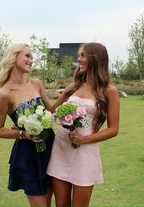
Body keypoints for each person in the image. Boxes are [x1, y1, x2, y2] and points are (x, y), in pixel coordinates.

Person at [47, 42, 120, 207]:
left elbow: (113, 129)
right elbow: (52, 112)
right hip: (61, 149)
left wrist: (84, 140)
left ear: (96, 59)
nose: (78, 59)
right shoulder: (73, 86)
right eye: (79, 55)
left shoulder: (109, 91)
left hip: (85, 152)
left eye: (82, 55)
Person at [0, 43, 55, 207]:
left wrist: (70, 93)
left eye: (31, 57)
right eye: (27, 56)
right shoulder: (5, 94)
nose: (31, 60)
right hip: (29, 154)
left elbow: (52, 111)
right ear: (13, 57)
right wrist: (22, 134)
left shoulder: (36, 83)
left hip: (51, 148)